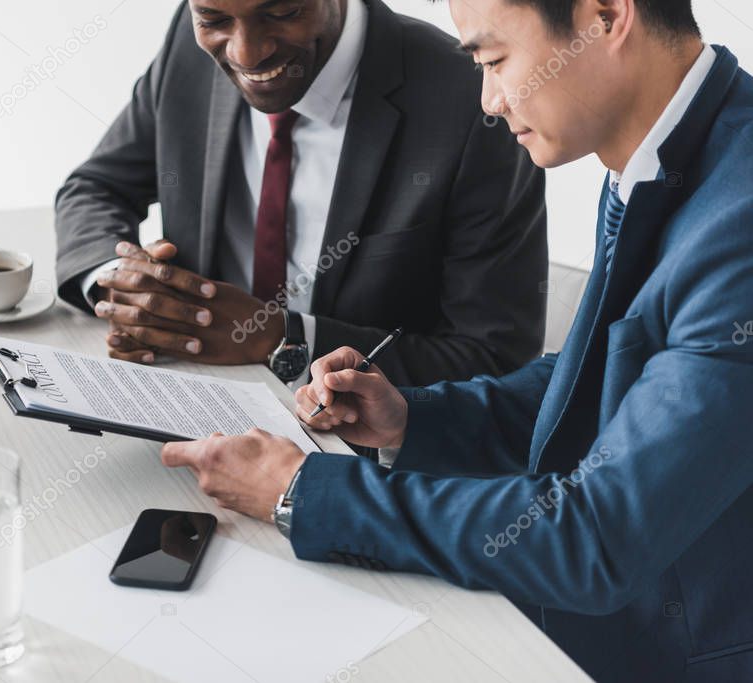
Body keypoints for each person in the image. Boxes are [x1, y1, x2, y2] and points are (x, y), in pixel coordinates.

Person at [159, 0, 753, 680]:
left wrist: (302, 490)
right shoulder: (668, 153)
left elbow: (597, 541)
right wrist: (414, 419)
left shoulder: (737, 225)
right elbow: (613, 381)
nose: (489, 101)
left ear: (606, 16)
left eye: (494, 61)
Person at [55, 0, 548, 388]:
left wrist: (283, 339)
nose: (246, 54)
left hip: (367, 455)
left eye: (283, 12)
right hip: (191, 396)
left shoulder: (473, 99)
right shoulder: (190, 45)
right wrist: (128, 289)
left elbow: (494, 361)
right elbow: (96, 187)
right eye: (213, 18)